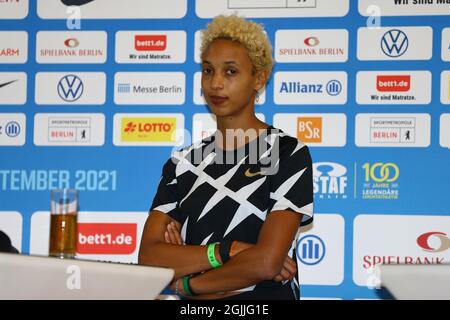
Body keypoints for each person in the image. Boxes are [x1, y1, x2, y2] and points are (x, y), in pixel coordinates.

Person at [138, 15, 313, 300]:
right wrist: (227, 251)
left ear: (259, 78)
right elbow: (150, 258)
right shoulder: (183, 162)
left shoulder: (286, 153)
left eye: (230, 72)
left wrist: (188, 282)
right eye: (208, 71)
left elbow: (267, 262)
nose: (216, 83)